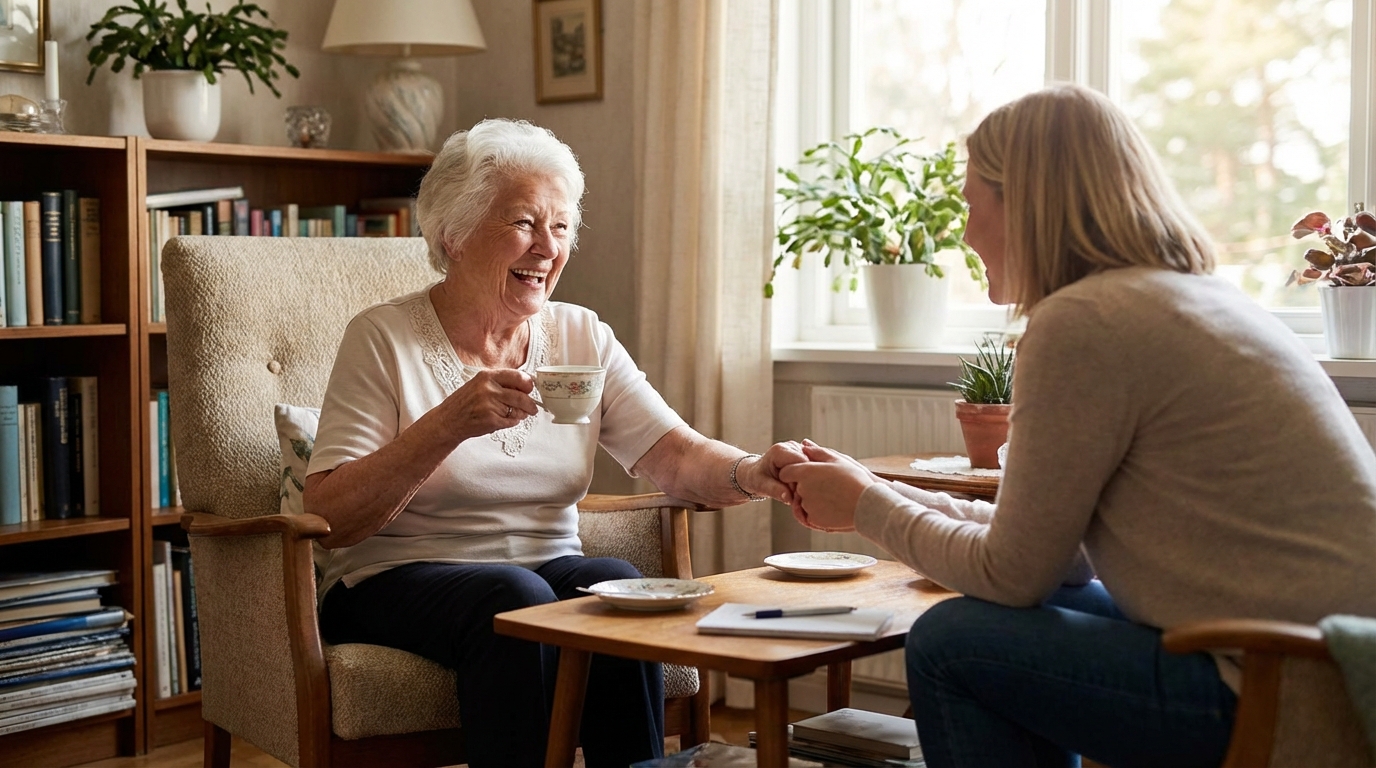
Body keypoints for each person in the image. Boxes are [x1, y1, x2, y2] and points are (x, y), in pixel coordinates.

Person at [779, 83, 1376, 768]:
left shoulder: (1083, 324)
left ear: (1027, 202)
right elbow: (1055, 555)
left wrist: (865, 507)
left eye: (974, 202)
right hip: (1332, 664)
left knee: (952, 641)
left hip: (1285, 688)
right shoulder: (1188, 299)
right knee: (1044, 610)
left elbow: (1013, 575)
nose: (966, 230)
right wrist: (872, 486)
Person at [302, 118, 801, 768]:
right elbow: (332, 516)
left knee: (619, 586)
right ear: (453, 234)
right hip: (389, 578)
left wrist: (753, 471)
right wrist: (448, 424)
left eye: (561, 227)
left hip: (541, 564)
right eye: (524, 223)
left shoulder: (581, 336)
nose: (547, 247)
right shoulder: (383, 338)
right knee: (515, 599)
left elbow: (673, 455)